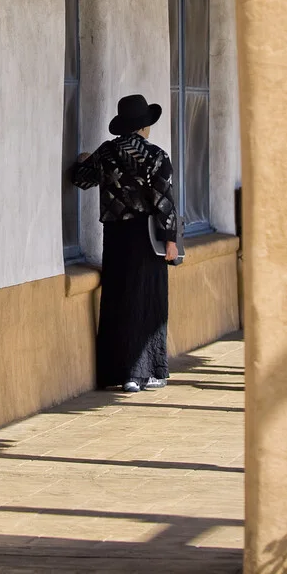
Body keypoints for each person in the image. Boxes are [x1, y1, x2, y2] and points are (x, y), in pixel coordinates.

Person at [72, 94, 178, 394]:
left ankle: (120, 372)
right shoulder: (156, 156)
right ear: (144, 126)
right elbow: (164, 202)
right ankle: (148, 372)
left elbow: (81, 179)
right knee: (148, 299)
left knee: (118, 298)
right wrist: (171, 240)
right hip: (147, 235)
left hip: (116, 235)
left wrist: (82, 160)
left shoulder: (106, 152)